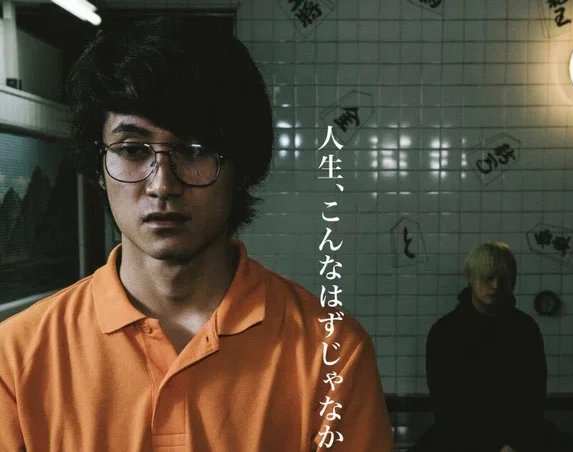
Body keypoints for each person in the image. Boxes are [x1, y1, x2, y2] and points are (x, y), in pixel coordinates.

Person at [0, 18, 393, 451]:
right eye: (132, 150)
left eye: (194, 150)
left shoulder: (331, 353)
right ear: (98, 166)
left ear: (241, 166)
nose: (162, 184)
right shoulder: (16, 357)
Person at [425, 242, 547, 452]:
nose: (496, 286)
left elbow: (533, 396)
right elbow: (444, 402)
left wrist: (515, 442)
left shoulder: (525, 329)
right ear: (470, 277)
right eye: (488, 278)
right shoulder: (445, 332)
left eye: (503, 279)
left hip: (518, 438)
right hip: (458, 438)